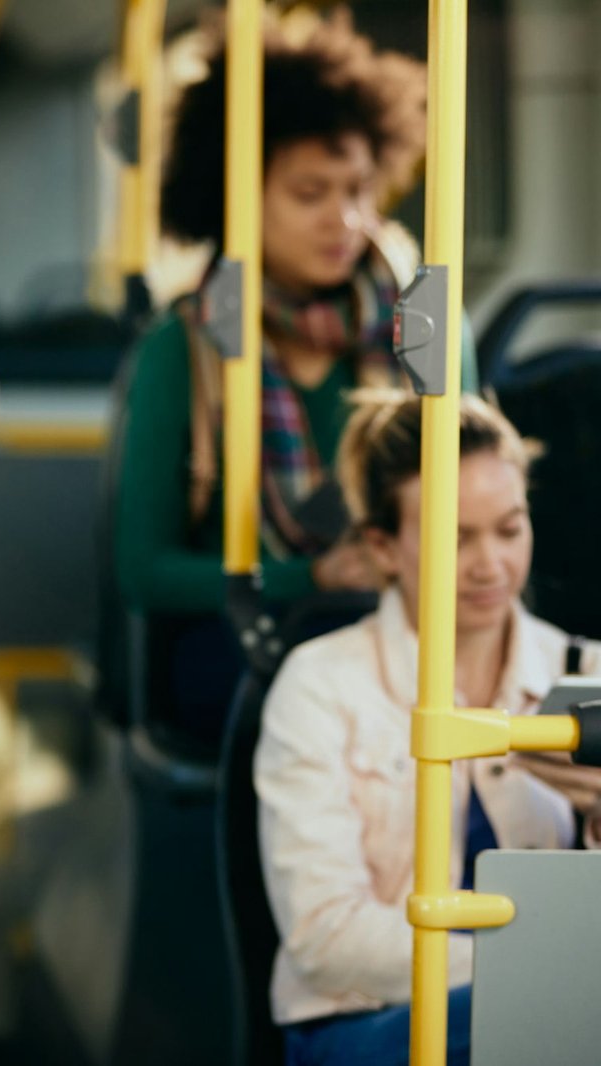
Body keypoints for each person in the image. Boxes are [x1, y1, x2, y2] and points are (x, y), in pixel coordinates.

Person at [112, 9, 476, 737]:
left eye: (360, 191)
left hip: (408, 646)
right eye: (311, 195)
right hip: (249, 659)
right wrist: (307, 580)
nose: (344, 219)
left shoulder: (429, 326)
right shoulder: (182, 350)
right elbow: (142, 568)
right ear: (236, 198)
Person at [254, 389, 601, 1066]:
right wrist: (540, 973)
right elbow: (326, 939)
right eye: (455, 538)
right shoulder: (320, 686)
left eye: (509, 530)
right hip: (366, 1023)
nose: (490, 566)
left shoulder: (585, 672)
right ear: (383, 548)